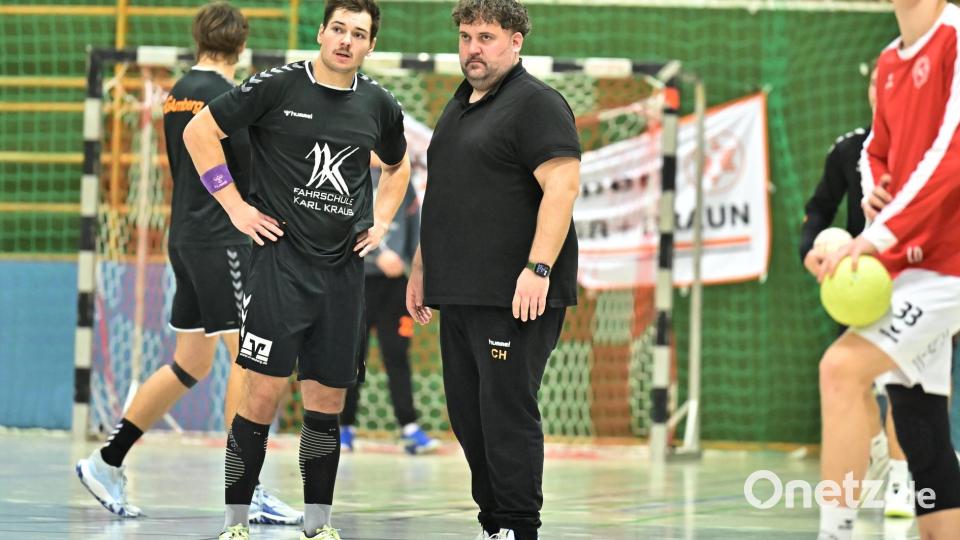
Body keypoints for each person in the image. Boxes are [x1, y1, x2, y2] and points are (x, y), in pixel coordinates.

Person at [182, 0, 411, 537]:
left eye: (358, 33)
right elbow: (199, 132)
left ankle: (318, 526)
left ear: (371, 45)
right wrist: (235, 207)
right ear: (321, 33)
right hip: (279, 269)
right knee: (261, 397)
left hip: (343, 276)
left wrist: (381, 222)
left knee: (327, 402)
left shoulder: (379, 104)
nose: (346, 40)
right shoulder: (278, 86)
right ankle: (236, 523)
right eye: (339, 29)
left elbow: (398, 166)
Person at [74, 1, 301, 526]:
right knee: (251, 357)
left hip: (187, 237)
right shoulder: (226, 97)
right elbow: (250, 165)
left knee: (190, 363)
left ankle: (106, 461)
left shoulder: (177, 92)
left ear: (198, 39)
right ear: (241, 44)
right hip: (223, 240)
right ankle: (246, 487)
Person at [406, 1, 581, 538]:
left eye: (485, 37)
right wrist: (422, 267)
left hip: (516, 295)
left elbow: (562, 186)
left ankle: (520, 526)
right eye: (465, 37)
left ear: (515, 41)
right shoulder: (458, 105)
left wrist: (538, 268)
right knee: (468, 417)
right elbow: (443, 194)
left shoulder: (537, 104)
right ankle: (494, 523)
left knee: (505, 412)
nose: (473, 49)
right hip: (459, 291)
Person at [816, 1, 960, 538]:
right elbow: (877, 149)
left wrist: (876, 235)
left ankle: (835, 531)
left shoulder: (955, 40)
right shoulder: (889, 60)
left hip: (950, 264)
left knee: (841, 369)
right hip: (913, 264)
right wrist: (876, 186)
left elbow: (951, 155)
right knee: (922, 428)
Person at [800, 64, 913, 520]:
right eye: (875, 83)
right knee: (852, 376)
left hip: (914, 280)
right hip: (858, 284)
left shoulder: (933, 151)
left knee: (905, 381)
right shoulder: (849, 149)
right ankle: (877, 452)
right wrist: (811, 249)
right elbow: (818, 208)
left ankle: (902, 483)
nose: (882, 91)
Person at [340, 154, 440, 455]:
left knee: (397, 355)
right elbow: (341, 226)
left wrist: (414, 270)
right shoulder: (349, 177)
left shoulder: (403, 182)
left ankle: (409, 428)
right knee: (351, 356)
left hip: (395, 288)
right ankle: (343, 428)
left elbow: (414, 230)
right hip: (357, 281)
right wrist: (375, 256)